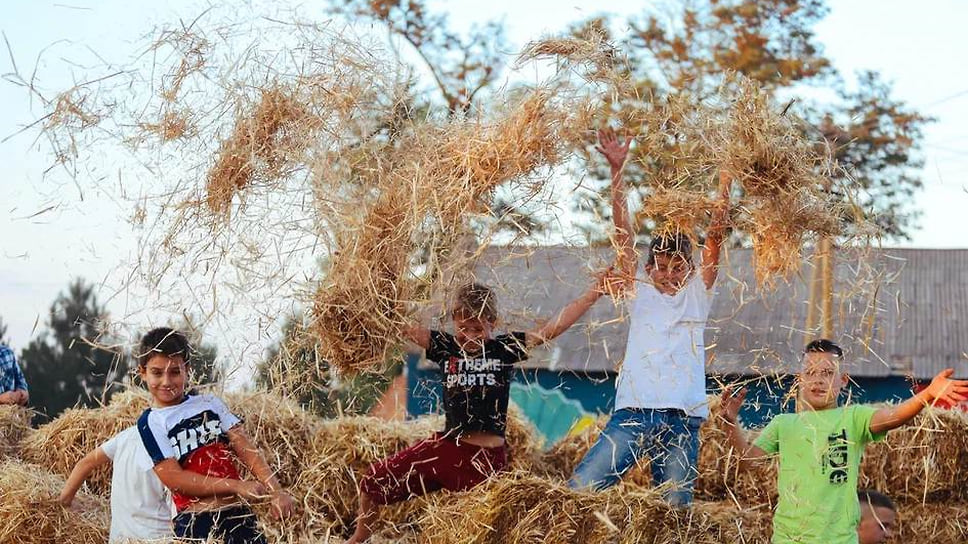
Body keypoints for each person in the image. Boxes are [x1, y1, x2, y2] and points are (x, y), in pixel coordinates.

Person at [347, 273, 614, 543]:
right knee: (372, 481)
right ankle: (359, 537)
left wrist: (594, 293)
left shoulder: (504, 349)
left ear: (492, 324)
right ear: (454, 322)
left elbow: (551, 329)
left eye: (478, 330)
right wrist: (369, 295)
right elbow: (399, 325)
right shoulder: (445, 346)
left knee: (483, 532)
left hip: (486, 462)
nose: (470, 337)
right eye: (464, 328)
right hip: (445, 450)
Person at [567, 128, 731, 504]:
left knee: (672, 514)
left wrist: (725, 179)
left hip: (681, 420)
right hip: (634, 414)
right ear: (648, 266)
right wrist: (617, 171)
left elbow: (716, 237)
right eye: (661, 265)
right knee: (580, 493)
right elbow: (622, 233)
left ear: (689, 270)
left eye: (678, 267)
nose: (669, 274)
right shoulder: (637, 289)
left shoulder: (697, 296)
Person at [720, 339, 968, 544]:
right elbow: (748, 462)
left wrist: (927, 394)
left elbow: (893, 418)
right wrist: (730, 422)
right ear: (800, 378)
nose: (818, 380)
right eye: (810, 373)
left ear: (844, 379)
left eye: (828, 373)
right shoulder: (783, 423)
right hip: (788, 539)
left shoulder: (853, 418)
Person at [135, 327, 294, 544]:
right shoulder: (150, 422)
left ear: (187, 369)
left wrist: (276, 491)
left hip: (237, 516)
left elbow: (245, 447)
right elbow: (175, 479)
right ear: (142, 372)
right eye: (157, 372)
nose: (166, 381)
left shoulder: (210, 404)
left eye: (175, 371)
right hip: (195, 523)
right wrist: (237, 485)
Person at [59, 423, 266, 544]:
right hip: (158, 539)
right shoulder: (173, 449)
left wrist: (64, 501)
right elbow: (182, 502)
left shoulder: (127, 436)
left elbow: (85, 463)